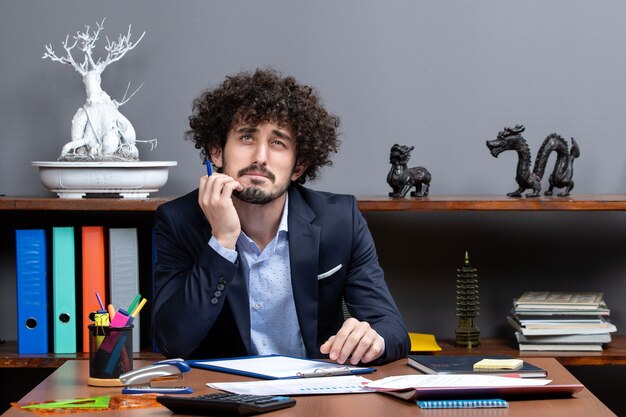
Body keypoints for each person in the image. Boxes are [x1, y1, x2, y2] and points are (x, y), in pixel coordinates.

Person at [152, 68, 409, 365]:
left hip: (316, 396)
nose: (260, 156)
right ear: (216, 152)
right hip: (226, 396)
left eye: (278, 143)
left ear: (298, 167)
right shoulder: (179, 221)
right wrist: (221, 242)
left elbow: (393, 329)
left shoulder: (340, 220)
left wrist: (372, 339)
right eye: (247, 137)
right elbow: (173, 341)